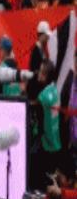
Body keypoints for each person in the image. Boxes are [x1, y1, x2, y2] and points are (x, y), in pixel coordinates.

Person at [30, 59, 62, 191]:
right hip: (55, 142)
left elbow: (32, 105)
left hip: (47, 144)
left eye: (41, 72)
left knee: (39, 180)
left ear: (46, 75)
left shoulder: (44, 96)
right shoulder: (54, 89)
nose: (38, 74)